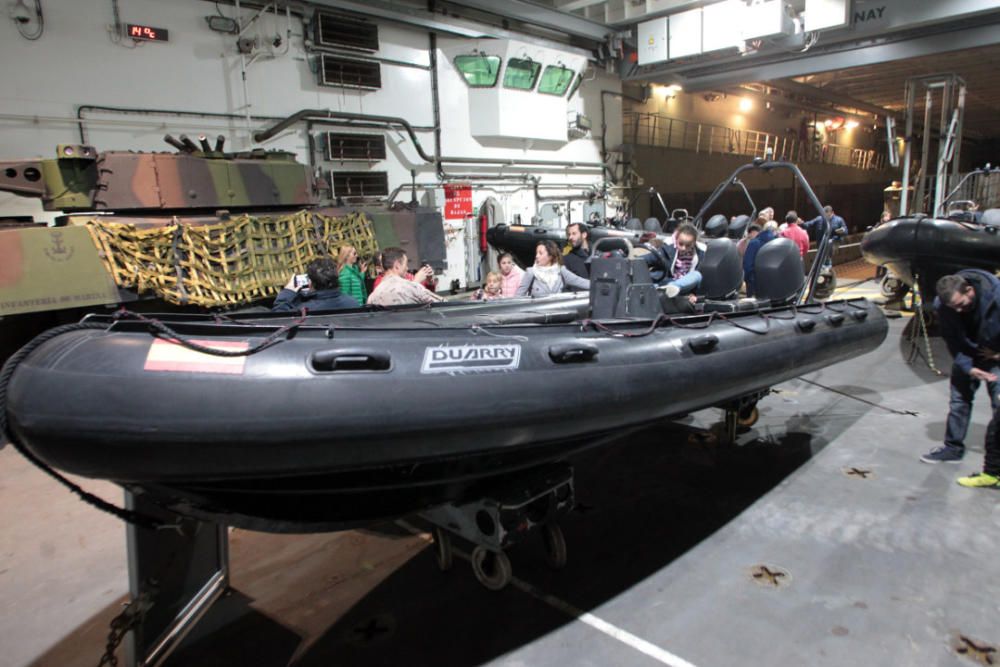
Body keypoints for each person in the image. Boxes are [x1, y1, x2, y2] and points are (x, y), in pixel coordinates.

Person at [920, 272, 1000, 481]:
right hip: (968, 355)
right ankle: (952, 449)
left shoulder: (997, 297)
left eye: (961, 304)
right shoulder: (944, 305)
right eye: (953, 307)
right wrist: (967, 367)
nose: (958, 310)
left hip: (996, 355)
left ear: (970, 290)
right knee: (959, 401)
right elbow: (951, 338)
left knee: (998, 408)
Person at [272, 257, 359, 312]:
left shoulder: (304, 311)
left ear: (310, 284)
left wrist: (287, 292)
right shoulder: (353, 303)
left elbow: (279, 319)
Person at [641, 222, 704, 298]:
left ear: (694, 243)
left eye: (688, 245)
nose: (684, 248)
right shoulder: (667, 249)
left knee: (697, 275)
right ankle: (666, 289)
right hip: (666, 282)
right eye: (681, 244)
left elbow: (699, 279)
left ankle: (670, 288)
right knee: (650, 286)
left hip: (683, 286)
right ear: (676, 239)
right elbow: (648, 259)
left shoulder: (699, 254)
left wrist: (694, 294)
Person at [367, 247, 444, 306]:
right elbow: (442, 304)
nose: (407, 268)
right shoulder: (411, 287)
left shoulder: (372, 297)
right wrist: (415, 283)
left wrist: (429, 282)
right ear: (397, 266)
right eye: (405, 264)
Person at [515, 240, 590, 297]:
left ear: (550, 256)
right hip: (538, 315)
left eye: (540, 253)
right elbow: (518, 297)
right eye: (536, 253)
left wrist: (598, 284)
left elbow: (580, 282)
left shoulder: (561, 271)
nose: (537, 256)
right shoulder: (531, 272)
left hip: (557, 315)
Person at [742, 220, 778, 297]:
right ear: (776, 231)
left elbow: (747, 265)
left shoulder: (754, 243)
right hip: (775, 285)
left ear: (763, 230)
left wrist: (750, 281)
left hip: (755, 286)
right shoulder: (780, 244)